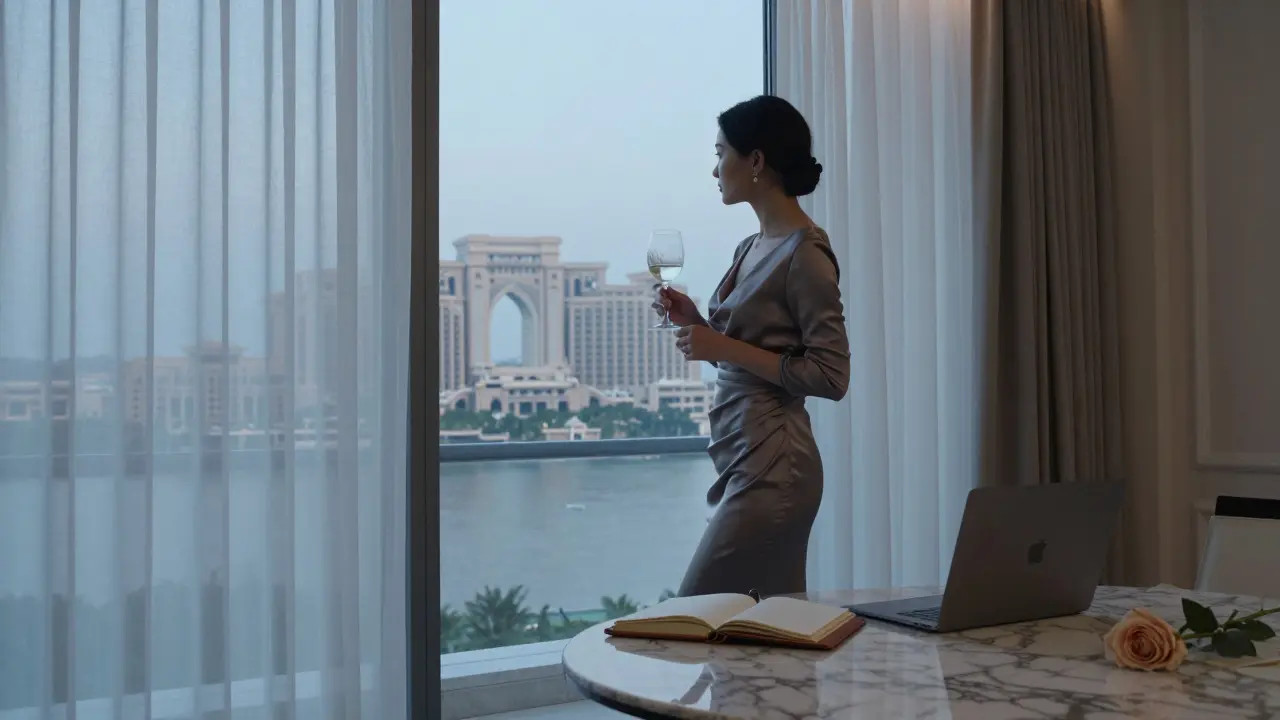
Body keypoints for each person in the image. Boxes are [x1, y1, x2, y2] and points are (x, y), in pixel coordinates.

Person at [654, 95, 850, 598]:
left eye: (721, 153)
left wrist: (719, 344)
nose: (714, 168)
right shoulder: (751, 246)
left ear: (756, 160)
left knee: (692, 612)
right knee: (767, 636)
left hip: (776, 464)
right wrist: (697, 321)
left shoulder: (806, 252)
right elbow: (746, 354)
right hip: (746, 455)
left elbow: (831, 376)